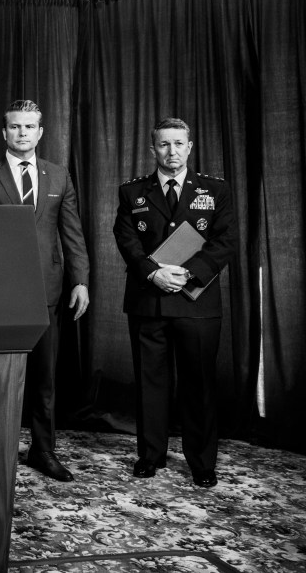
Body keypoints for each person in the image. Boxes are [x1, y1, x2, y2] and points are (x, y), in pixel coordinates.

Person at [0, 99, 90, 482]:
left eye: (29, 126)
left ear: (40, 132)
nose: (22, 133)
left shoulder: (58, 176)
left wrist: (80, 280)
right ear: (5, 132)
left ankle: (43, 450)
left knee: (44, 378)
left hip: (46, 289)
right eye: (15, 126)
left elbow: (72, 232)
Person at [112, 118, 236, 488]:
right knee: (151, 383)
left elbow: (225, 240)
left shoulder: (215, 190)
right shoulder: (132, 192)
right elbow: (126, 239)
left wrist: (189, 273)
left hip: (196, 302)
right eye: (164, 144)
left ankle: (202, 463)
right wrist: (153, 273)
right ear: (153, 149)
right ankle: (150, 456)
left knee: (199, 384)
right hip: (149, 301)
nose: (172, 151)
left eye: (179, 143)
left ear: (190, 147)